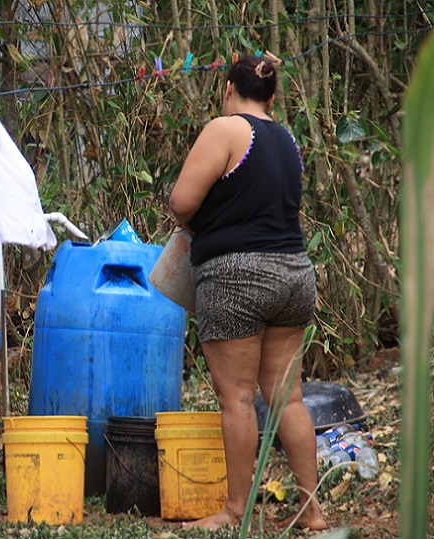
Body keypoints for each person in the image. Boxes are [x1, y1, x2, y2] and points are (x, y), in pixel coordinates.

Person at [168, 56, 327, 532]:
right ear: (273, 98)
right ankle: (312, 512)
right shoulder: (288, 139)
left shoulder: (225, 129)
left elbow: (181, 202)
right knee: (288, 398)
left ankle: (236, 512)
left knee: (235, 397)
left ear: (227, 89)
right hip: (295, 273)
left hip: (238, 277)